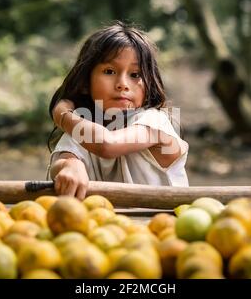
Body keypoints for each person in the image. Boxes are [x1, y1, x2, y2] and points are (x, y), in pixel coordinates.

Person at [47, 21, 189, 200]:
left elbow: (107, 145)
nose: (123, 84)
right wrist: (70, 165)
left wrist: (61, 114)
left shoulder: (154, 121)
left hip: (163, 223)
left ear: (149, 86)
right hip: (107, 225)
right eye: (109, 71)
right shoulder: (82, 129)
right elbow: (63, 160)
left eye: (135, 75)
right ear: (84, 84)